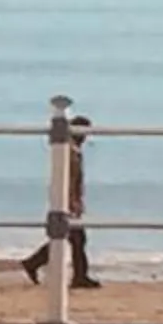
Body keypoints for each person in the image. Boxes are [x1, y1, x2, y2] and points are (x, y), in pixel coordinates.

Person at [21, 115, 100, 288]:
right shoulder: (68, 150)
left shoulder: (73, 149)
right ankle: (78, 276)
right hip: (67, 201)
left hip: (70, 200)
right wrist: (71, 201)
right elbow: (68, 178)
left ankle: (35, 263)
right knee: (75, 239)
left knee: (71, 238)